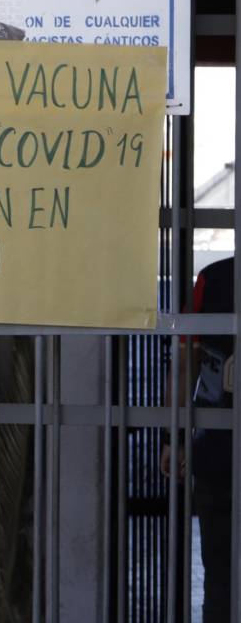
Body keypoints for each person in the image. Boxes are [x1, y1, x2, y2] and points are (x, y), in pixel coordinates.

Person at [161, 256, 233, 623]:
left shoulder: (214, 278)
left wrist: (173, 437)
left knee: (220, 584)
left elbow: (183, 363)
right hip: (215, 458)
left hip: (216, 454)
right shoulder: (211, 278)